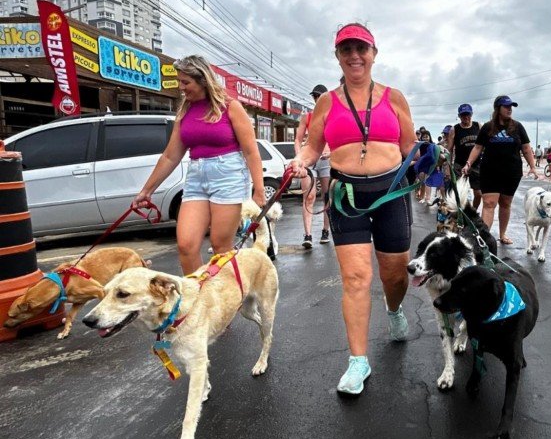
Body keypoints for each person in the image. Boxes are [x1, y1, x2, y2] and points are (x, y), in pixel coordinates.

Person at [289, 23, 416, 395]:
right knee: (357, 279)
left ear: (374, 53)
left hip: (391, 193)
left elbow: (408, 147)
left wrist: (430, 171)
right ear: (338, 57)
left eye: (361, 48)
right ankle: (358, 361)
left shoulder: (395, 98)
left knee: (394, 275)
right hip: (346, 196)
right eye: (346, 50)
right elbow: (313, 147)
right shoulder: (326, 102)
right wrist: (302, 160)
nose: (354, 56)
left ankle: (394, 311)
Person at [134, 55, 266, 275]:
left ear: (203, 80)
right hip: (196, 176)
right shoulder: (185, 111)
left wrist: (259, 190)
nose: (181, 87)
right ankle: (199, 300)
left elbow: (251, 151)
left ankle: (224, 301)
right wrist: (146, 191)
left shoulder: (230, 107)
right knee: (186, 245)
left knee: (220, 247)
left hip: (228, 175)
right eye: (179, 81)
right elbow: (170, 156)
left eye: (186, 82)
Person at [463, 95, 539, 244]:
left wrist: (532, 167)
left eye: (511, 107)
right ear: (498, 108)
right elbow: (478, 147)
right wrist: (468, 163)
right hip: (490, 171)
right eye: (506, 106)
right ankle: (484, 239)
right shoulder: (487, 127)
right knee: (489, 203)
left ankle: (502, 234)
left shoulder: (517, 127)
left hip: (511, 172)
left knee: (505, 204)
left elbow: (526, 148)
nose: (510, 109)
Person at [294, 84, 332, 248]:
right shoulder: (308, 117)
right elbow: (297, 139)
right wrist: (299, 157)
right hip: (309, 161)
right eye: (315, 96)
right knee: (309, 197)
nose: (317, 99)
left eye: (320, 96)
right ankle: (308, 235)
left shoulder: (332, 116)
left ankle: (325, 230)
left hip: (326, 160)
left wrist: (332, 152)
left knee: (327, 197)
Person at [447, 103, 482, 209]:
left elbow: (485, 145)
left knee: (478, 194)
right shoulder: (454, 129)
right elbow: (449, 150)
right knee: (458, 193)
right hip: (460, 165)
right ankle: (460, 213)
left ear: (471, 114)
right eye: (463, 115)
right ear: (459, 116)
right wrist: (448, 169)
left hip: (476, 165)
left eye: (468, 114)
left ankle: (473, 211)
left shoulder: (478, 126)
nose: (465, 117)